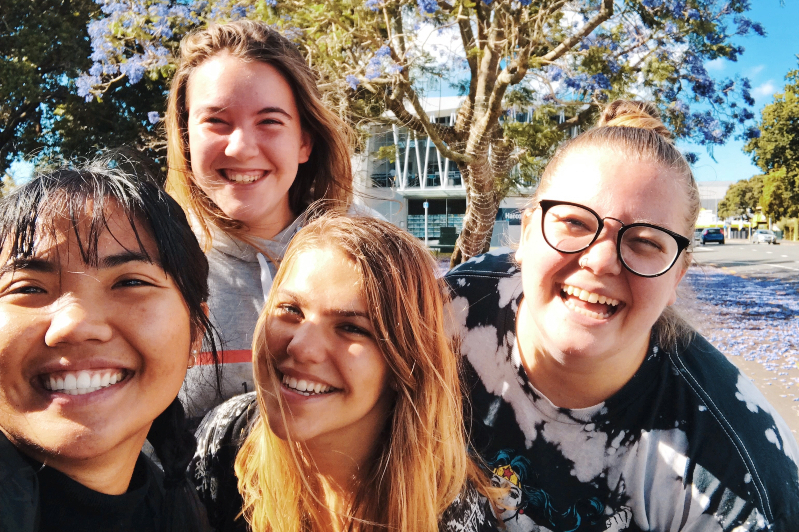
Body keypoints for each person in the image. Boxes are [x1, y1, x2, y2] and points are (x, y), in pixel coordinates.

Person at [445, 100, 799, 531]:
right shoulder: (451, 309)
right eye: (574, 222)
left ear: (677, 277)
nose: (601, 261)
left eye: (646, 242)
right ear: (526, 232)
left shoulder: (736, 484)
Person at [191, 212, 499, 532]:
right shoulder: (224, 439)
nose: (301, 346)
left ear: (404, 363)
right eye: (290, 310)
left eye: (351, 327)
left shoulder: (452, 515)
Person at [0, 161, 215, 532]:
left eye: (130, 282)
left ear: (195, 329)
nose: (75, 325)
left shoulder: (181, 508)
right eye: (29, 288)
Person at [165, 20, 361, 419]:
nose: (241, 148)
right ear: (185, 138)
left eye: (270, 121)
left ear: (304, 141)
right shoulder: (150, 263)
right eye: (216, 122)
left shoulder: (370, 254)